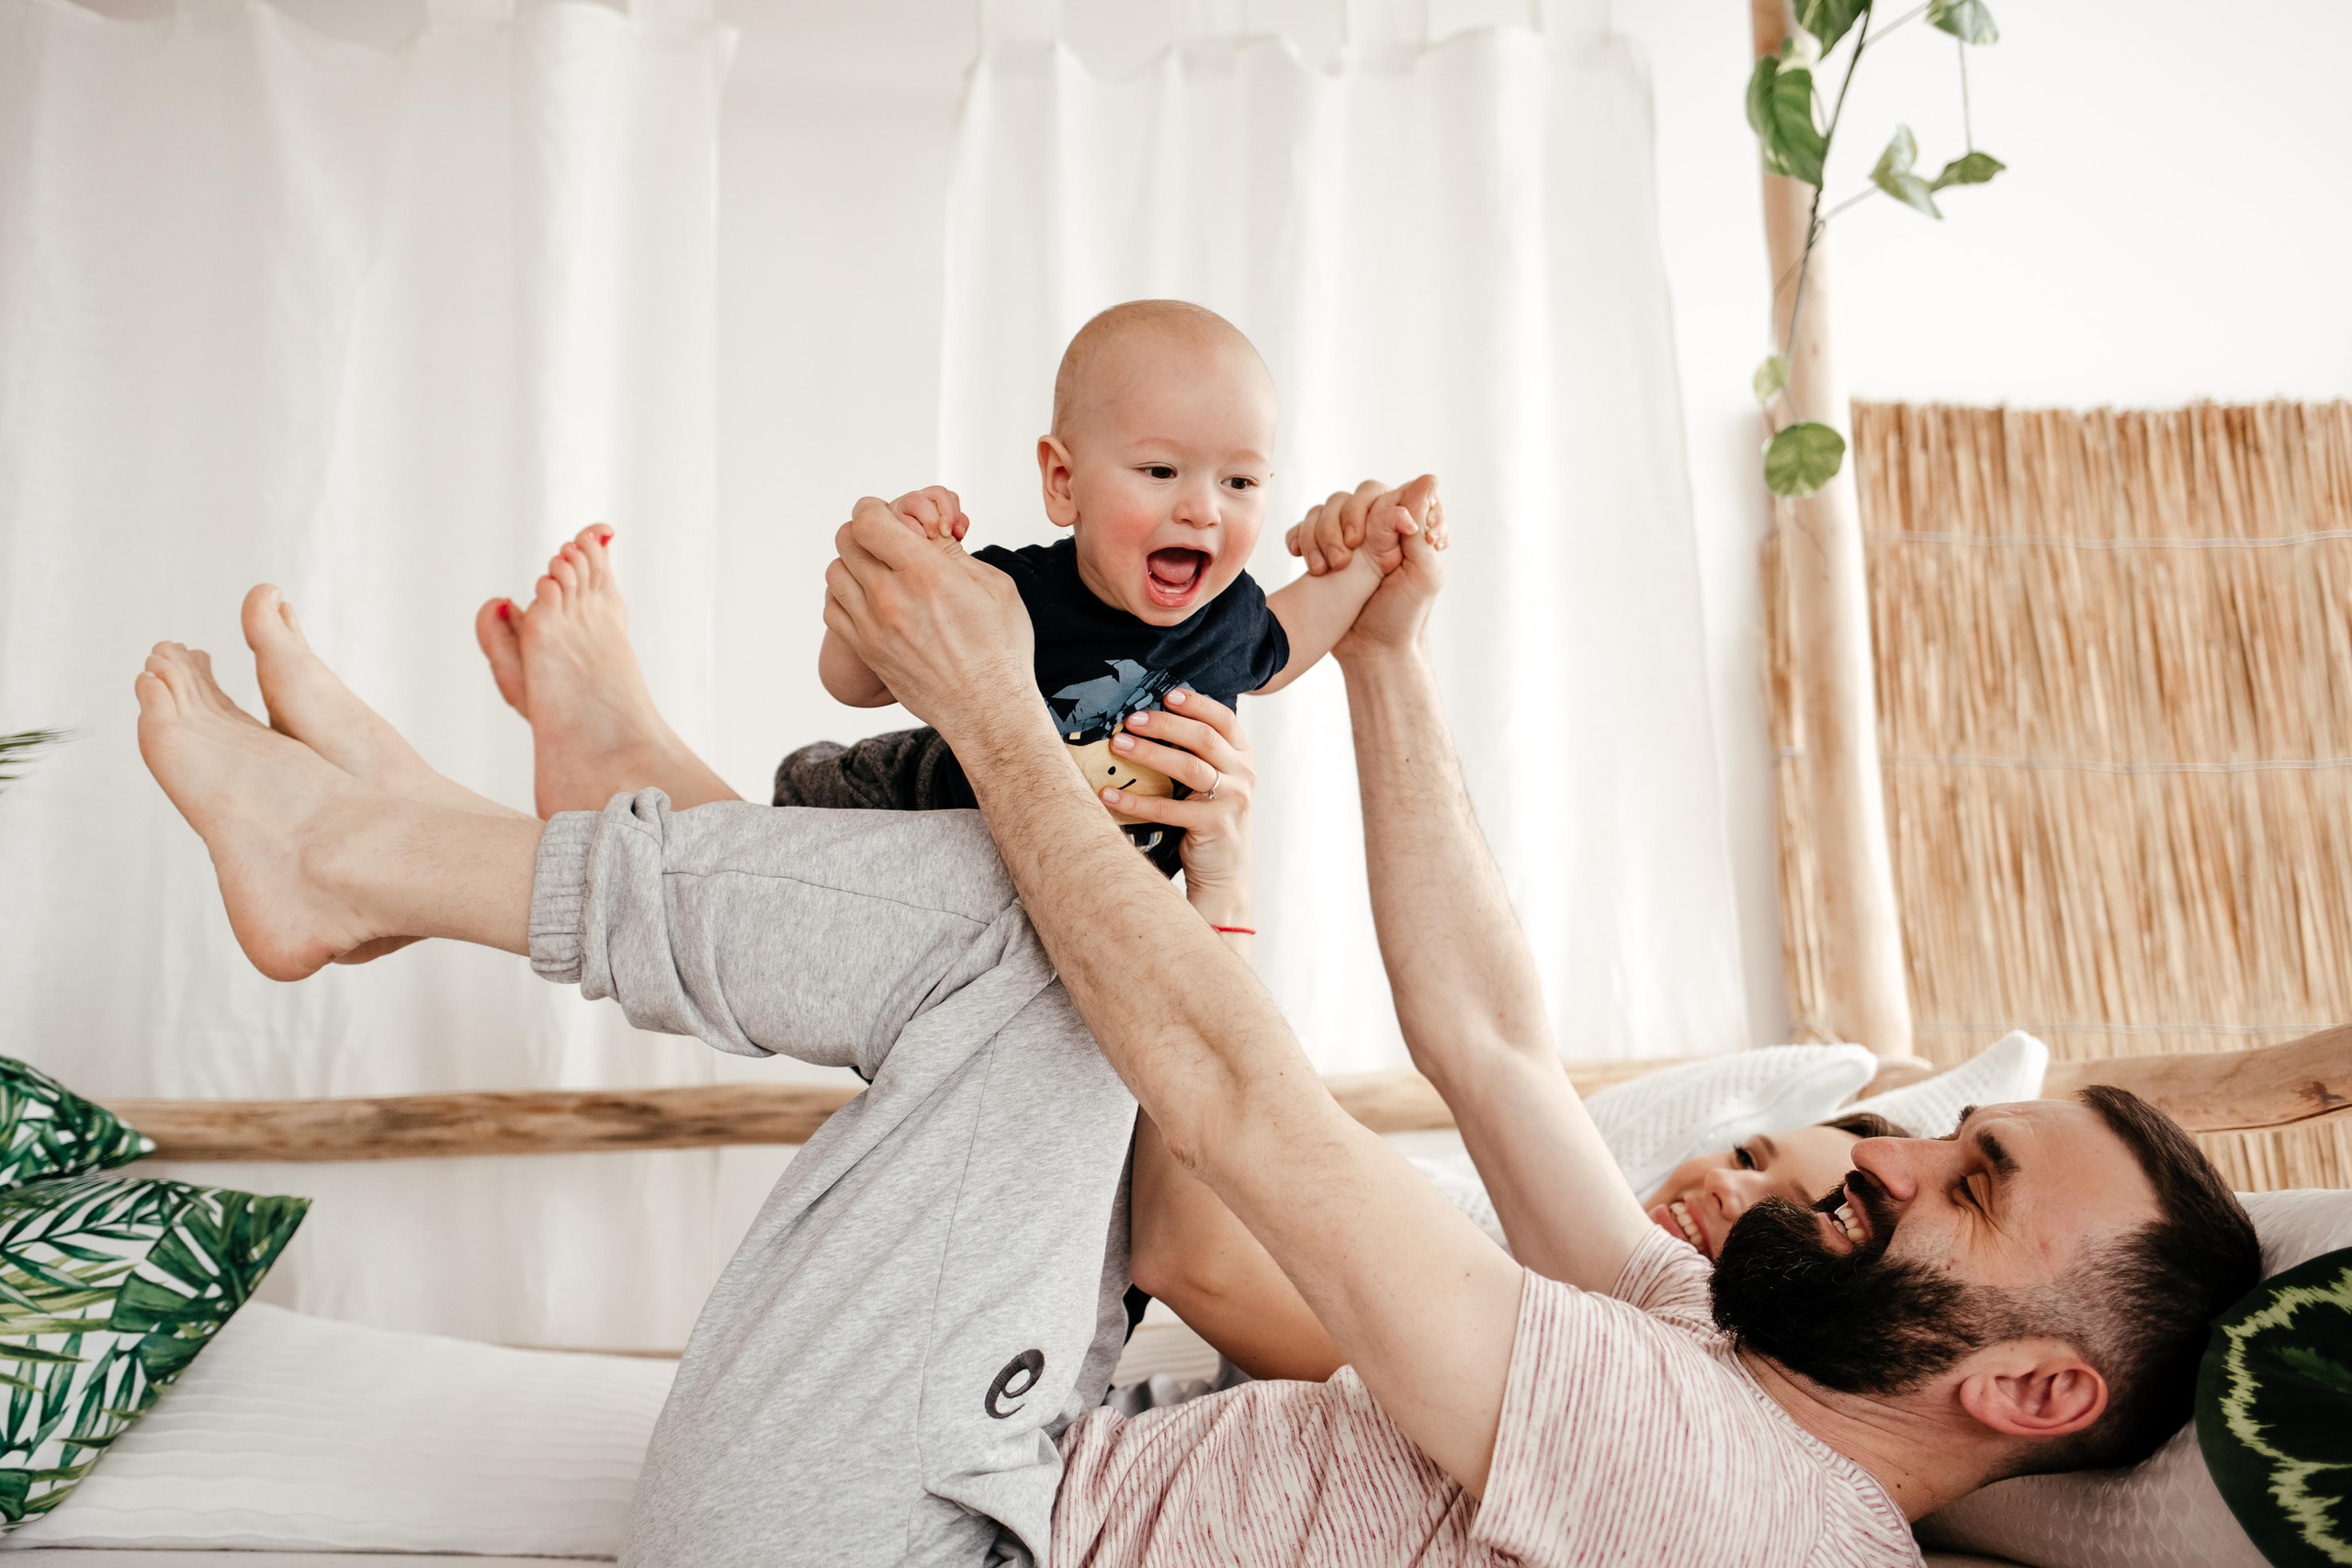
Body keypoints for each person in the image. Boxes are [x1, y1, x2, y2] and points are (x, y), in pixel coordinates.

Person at [138, 493, 2260, 1566]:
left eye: (1961, 1180)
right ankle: (466, 830)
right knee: (1077, 931)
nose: (1886, 1148)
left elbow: (1237, 1105)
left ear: (2030, 1377)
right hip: (980, 1478)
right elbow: (1490, 1043)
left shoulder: (1734, 1510)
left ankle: (386, 852)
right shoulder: (1729, 1363)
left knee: (1057, 928)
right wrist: (1387, 657)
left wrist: (986, 696)